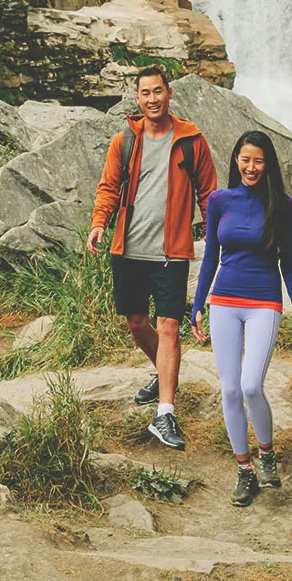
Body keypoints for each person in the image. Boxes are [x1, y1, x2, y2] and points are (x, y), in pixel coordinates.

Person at [87, 66, 217, 451]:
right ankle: (162, 374)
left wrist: (214, 234)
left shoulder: (191, 140)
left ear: (170, 93)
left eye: (158, 91)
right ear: (138, 98)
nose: (152, 99)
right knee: (135, 322)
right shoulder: (124, 140)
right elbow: (109, 186)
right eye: (145, 93)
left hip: (171, 251)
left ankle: (165, 412)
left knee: (168, 327)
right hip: (128, 248)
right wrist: (99, 224)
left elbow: (208, 193)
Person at [191, 129, 292, 507]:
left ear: (268, 163)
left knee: (250, 386)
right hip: (223, 300)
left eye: (258, 160)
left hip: (264, 302)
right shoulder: (219, 201)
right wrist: (196, 304)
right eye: (245, 159)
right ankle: (244, 471)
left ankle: (267, 455)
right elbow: (210, 255)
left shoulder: (283, 205)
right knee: (228, 389)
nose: (251, 167)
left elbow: (288, 263)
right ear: (236, 161)